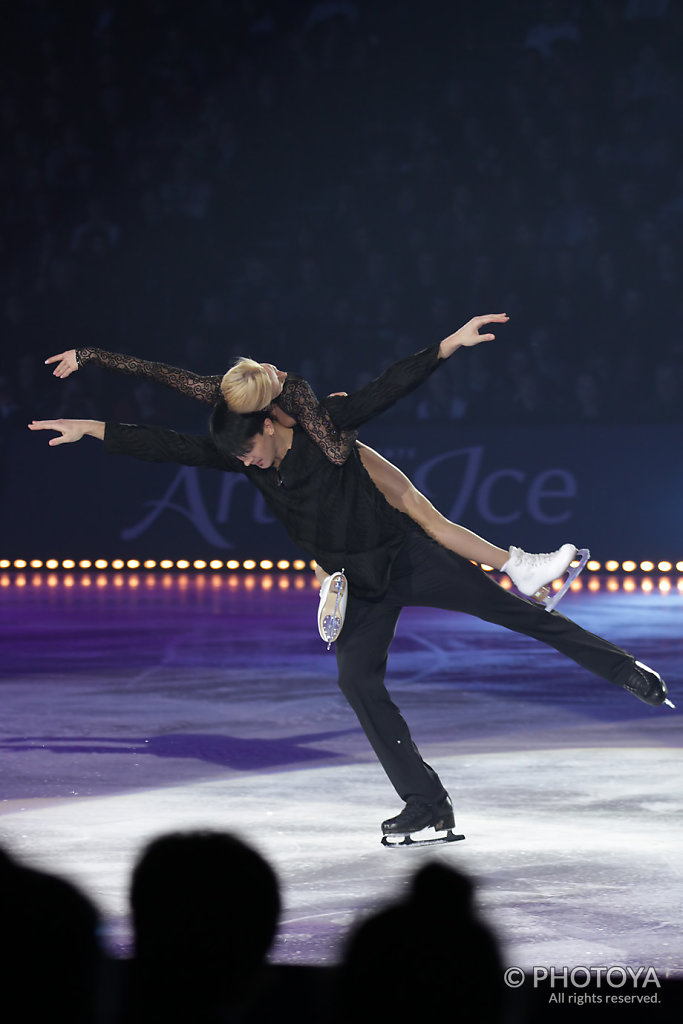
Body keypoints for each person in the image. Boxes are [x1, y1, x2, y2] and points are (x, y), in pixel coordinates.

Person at [30, 315, 673, 844]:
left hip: (403, 557)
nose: (244, 461)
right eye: (236, 457)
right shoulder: (243, 453)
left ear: (273, 423)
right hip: (353, 585)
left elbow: (382, 390)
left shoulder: (321, 430)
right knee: (356, 680)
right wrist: (91, 419)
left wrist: (448, 346)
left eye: (249, 448)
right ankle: (428, 803)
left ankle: (627, 672)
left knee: (520, 613)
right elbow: (167, 437)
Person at [45, 321, 581, 638]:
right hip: (332, 452)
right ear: (266, 407)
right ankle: (518, 567)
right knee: (418, 510)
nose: (278, 369)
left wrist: (89, 362)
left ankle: (330, 578)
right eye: (273, 375)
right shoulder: (294, 395)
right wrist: (445, 346)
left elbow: (153, 376)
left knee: (323, 515)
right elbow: (349, 428)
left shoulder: (224, 392)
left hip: (316, 462)